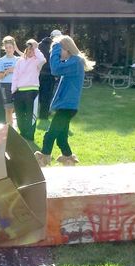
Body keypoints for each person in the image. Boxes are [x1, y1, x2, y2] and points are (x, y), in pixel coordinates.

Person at [34, 35, 95, 167]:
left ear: (66, 49)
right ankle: (68, 158)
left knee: (50, 134)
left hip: (67, 106)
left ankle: (44, 157)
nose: (56, 53)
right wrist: (57, 48)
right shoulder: (73, 62)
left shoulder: (76, 61)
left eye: (59, 50)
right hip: (66, 106)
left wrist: (55, 46)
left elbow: (55, 69)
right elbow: (57, 68)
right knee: (61, 137)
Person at [12, 39, 46, 141]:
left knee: (31, 115)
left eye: (32, 50)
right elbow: (15, 76)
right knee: (20, 115)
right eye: (29, 49)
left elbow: (43, 59)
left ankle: (30, 136)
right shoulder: (20, 61)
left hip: (32, 91)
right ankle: (22, 134)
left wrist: (36, 47)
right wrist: (13, 90)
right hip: (19, 91)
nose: (30, 51)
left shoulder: (37, 61)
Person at [0, 36, 20, 125]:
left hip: (17, 86)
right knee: (8, 108)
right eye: (6, 48)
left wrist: (15, 70)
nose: (8, 50)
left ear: (14, 48)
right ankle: (9, 128)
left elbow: (28, 58)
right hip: (5, 85)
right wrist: (7, 72)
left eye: (10, 47)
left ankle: (16, 127)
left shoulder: (19, 59)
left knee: (16, 108)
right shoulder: (1, 60)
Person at [38, 29, 61, 122]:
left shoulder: (40, 45)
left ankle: (39, 112)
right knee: (47, 96)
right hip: (50, 73)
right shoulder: (56, 46)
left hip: (39, 73)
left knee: (39, 94)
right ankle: (43, 115)